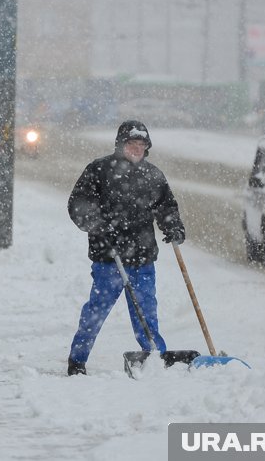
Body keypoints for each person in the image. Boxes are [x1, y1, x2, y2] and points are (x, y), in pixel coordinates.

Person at [66, 120, 185, 376]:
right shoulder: (99, 170)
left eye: (142, 145)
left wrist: (173, 226)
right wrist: (96, 224)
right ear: (121, 144)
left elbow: (166, 206)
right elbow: (78, 203)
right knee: (96, 312)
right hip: (109, 256)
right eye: (132, 144)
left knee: (146, 313)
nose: (137, 149)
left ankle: (155, 358)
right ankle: (77, 360)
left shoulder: (153, 175)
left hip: (142, 257)